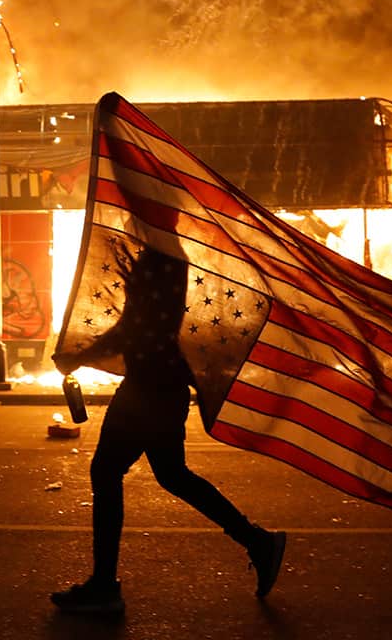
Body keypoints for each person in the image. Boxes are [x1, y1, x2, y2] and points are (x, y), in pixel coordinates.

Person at [50, 245, 285, 614]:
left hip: (149, 389)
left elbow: (134, 329)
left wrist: (79, 357)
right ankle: (257, 541)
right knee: (172, 475)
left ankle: (104, 588)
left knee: (108, 472)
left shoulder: (161, 257)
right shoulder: (163, 254)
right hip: (161, 386)